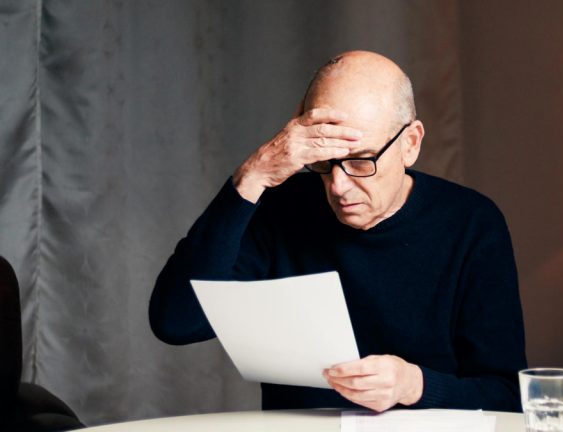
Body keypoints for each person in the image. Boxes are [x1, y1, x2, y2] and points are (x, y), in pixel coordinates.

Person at [149, 50, 527, 413]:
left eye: (361, 162)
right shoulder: (281, 209)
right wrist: (251, 178)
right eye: (323, 162)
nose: (338, 187)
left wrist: (414, 385)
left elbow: (507, 397)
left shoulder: (471, 223)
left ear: (410, 143)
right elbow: (177, 323)